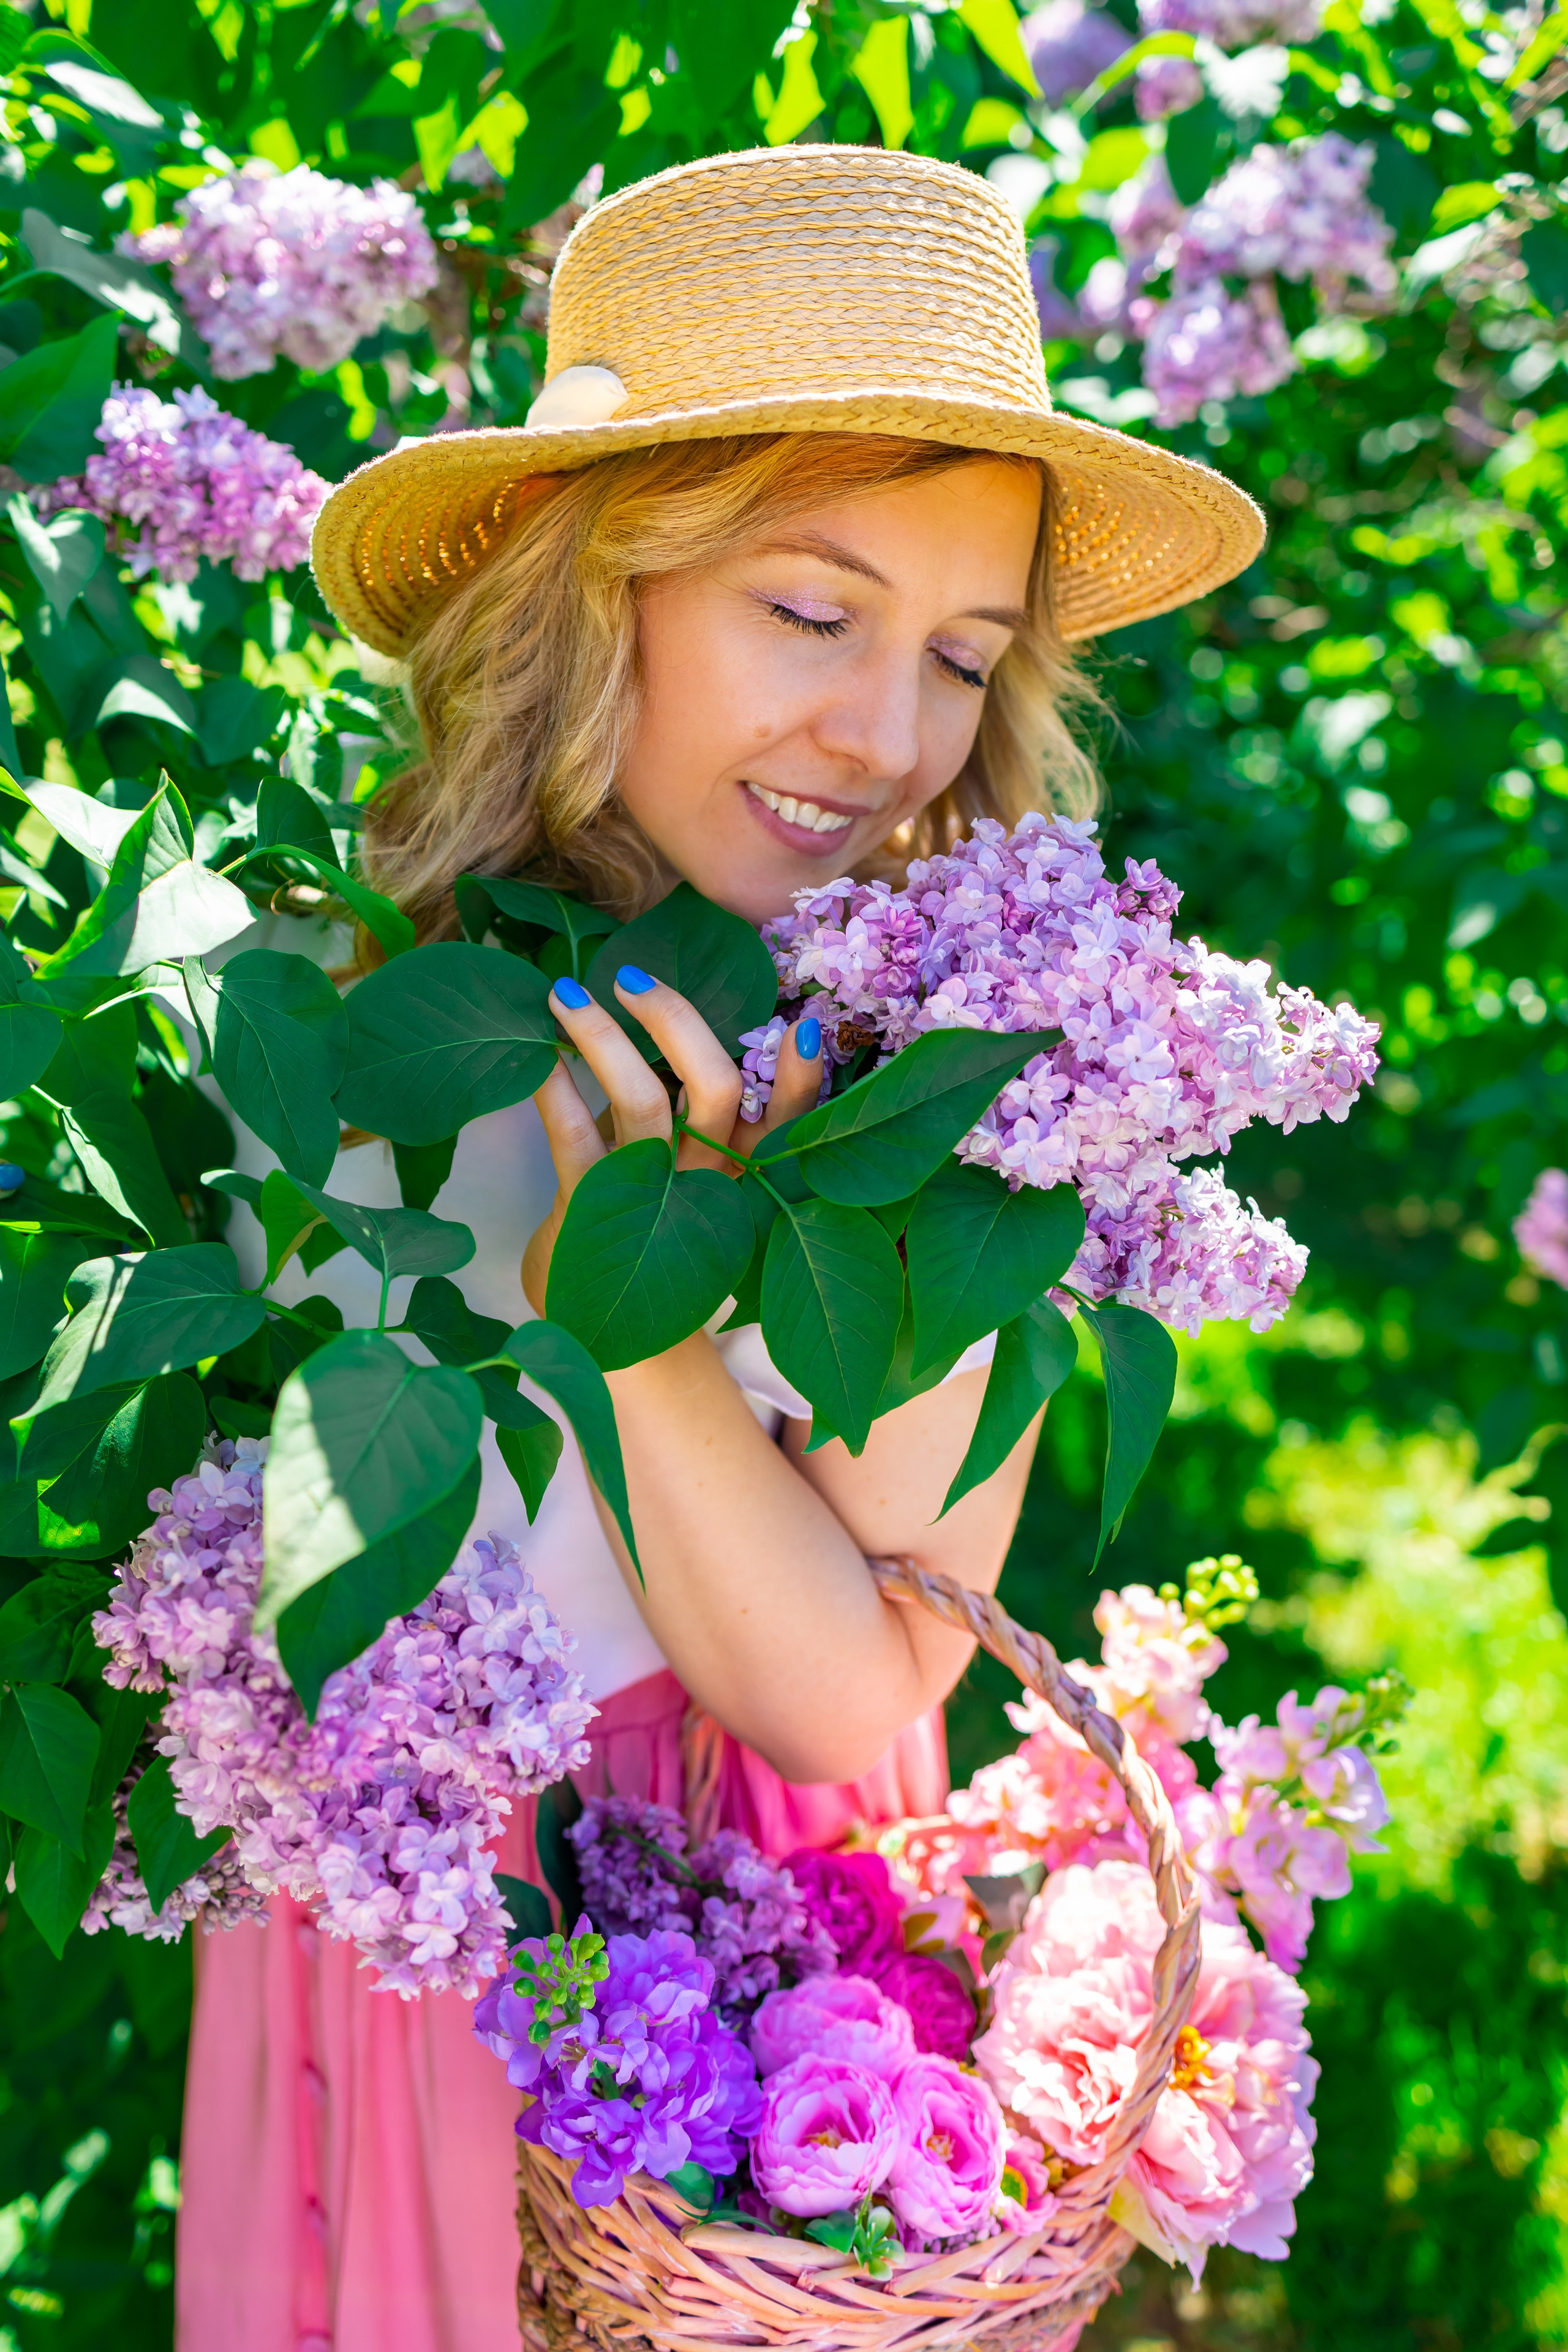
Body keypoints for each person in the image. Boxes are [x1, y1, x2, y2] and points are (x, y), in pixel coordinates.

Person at [176, 144, 1261, 2352]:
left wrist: (639, 1309)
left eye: (960, 655)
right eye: (806, 608)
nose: (884, 738)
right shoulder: (339, 996)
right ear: (602, 588)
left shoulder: (948, 1079)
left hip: (714, 1982)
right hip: (391, 1953)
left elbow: (860, 1678)